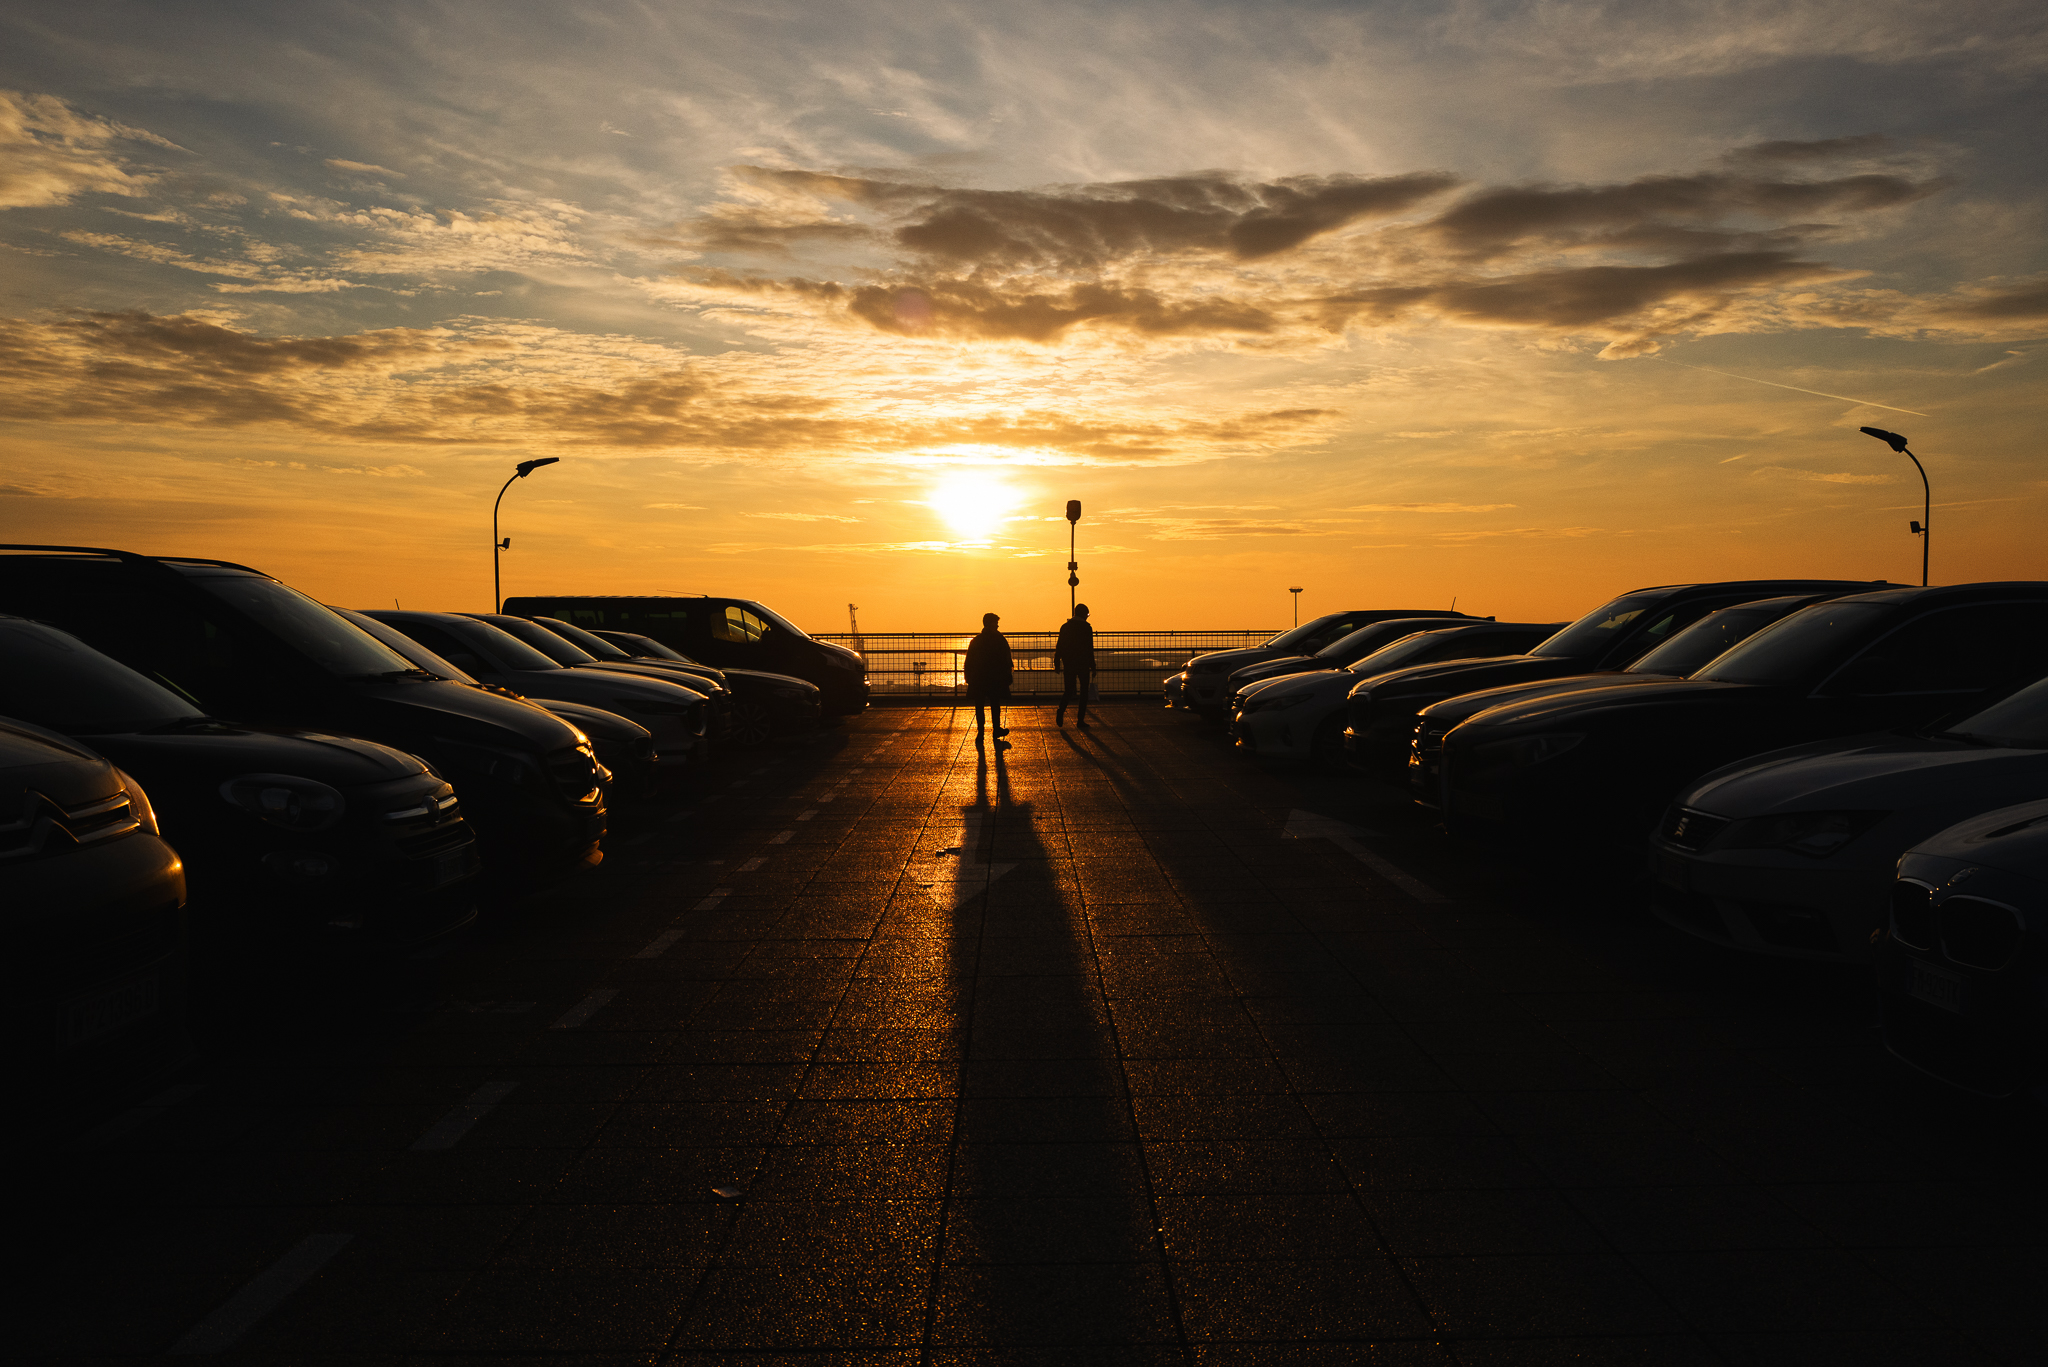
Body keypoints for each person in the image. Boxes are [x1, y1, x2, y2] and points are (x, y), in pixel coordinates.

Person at [963, 611, 1012, 749]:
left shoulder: (976, 640)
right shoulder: (999, 639)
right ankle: (996, 729)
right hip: (994, 678)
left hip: (979, 678)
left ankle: (980, 732)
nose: (997, 626)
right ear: (991, 624)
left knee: (979, 706)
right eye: (996, 623)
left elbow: (969, 660)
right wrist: (1007, 675)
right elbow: (1006, 659)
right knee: (995, 704)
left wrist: (968, 677)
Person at [1054, 602, 1095, 728]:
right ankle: (1080, 720)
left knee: (1068, 690)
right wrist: (1093, 665)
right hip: (1083, 663)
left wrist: (1057, 662)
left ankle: (1061, 710)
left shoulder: (1065, 627)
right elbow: (1089, 648)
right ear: (1084, 614)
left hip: (1069, 662)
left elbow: (1059, 645)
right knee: (1084, 692)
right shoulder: (1086, 628)